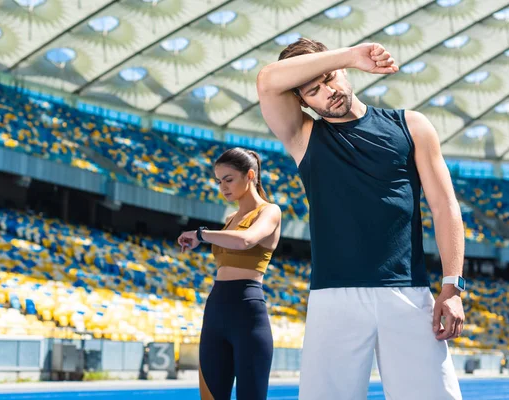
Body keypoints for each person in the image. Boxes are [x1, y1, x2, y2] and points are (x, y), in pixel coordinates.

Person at [256, 38, 466, 399]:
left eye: (331, 78)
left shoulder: (411, 126)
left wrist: (454, 285)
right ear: (302, 101)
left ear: (343, 74)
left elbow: (444, 206)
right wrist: (351, 56)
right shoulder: (304, 136)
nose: (329, 92)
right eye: (314, 90)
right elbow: (267, 80)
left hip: (408, 292)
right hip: (333, 298)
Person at [177, 147, 282, 400]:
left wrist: (200, 235)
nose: (223, 187)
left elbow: (246, 240)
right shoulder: (230, 217)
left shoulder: (270, 211)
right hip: (215, 312)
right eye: (218, 181)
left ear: (249, 176)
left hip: (247, 314)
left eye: (228, 179)